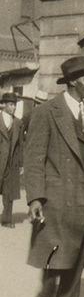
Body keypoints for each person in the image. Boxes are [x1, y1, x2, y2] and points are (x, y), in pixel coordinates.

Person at [24, 55, 84, 297]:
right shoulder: (47, 112)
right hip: (56, 199)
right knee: (54, 257)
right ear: (72, 82)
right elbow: (34, 157)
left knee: (77, 261)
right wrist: (35, 197)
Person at [0, 93, 23, 227]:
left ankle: (7, 219)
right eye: (10, 104)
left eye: (14, 105)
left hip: (11, 162)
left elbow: (20, 144)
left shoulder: (18, 123)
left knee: (9, 192)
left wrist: (21, 163)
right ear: (4, 105)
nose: (13, 107)